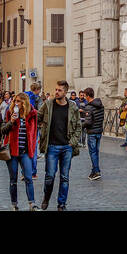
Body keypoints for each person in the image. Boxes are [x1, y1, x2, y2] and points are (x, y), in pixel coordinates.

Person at [38, 81, 81, 210]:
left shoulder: (72, 107)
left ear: (65, 92)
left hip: (67, 147)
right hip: (51, 146)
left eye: (59, 90)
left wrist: (72, 142)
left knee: (65, 177)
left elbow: (78, 126)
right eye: (56, 89)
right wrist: (42, 129)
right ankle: (46, 197)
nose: (56, 92)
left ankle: (61, 204)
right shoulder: (48, 104)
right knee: (50, 176)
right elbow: (38, 117)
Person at [3, 94, 39, 209]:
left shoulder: (32, 114)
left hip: (25, 152)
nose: (16, 103)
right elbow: (3, 130)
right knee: (13, 179)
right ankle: (14, 204)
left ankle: (32, 204)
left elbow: (34, 133)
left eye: (19, 101)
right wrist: (11, 121)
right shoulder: (10, 112)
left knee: (28, 178)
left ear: (25, 102)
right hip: (12, 152)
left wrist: (34, 148)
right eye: (15, 101)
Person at [81, 88, 104, 180]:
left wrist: (80, 126)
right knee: (96, 152)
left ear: (87, 95)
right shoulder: (101, 105)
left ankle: (97, 171)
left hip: (92, 133)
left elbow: (88, 122)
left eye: (85, 95)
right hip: (99, 131)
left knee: (93, 152)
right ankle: (94, 171)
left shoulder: (89, 107)